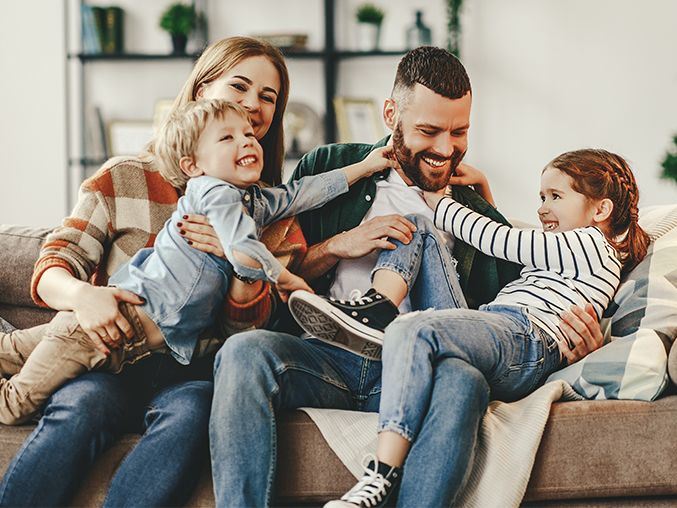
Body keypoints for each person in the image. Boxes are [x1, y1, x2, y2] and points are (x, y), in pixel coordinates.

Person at [206, 46, 609, 507]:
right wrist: (338, 246)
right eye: (429, 131)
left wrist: (575, 343)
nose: (445, 149)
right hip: (328, 358)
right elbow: (276, 274)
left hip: (421, 368)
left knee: (464, 379)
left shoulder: (470, 204)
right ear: (391, 114)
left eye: (459, 132)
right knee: (244, 352)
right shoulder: (330, 166)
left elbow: (511, 315)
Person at [0, 36, 300, 506]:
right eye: (239, 87)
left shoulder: (267, 210)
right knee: (80, 405)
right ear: (201, 90)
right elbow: (55, 262)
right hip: (108, 356)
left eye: (268, 97)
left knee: (190, 415)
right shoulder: (124, 175)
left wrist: (238, 257)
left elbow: (246, 332)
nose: (252, 105)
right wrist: (85, 297)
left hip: (189, 371)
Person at [291, 148, 649, 507]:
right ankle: (378, 308)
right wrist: (482, 190)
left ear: (601, 210)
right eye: (541, 196)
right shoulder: (568, 253)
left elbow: (503, 242)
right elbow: (512, 254)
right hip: (498, 328)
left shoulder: (590, 244)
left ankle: (381, 474)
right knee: (416, 227)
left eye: (556, 196)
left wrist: (442, 201)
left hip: (526, 336)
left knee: (412, 328)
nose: (541, 207)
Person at [0, 99, 394, 424]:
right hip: (101, 330)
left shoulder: (253, 201)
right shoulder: (213, 193)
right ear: (193, 166)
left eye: (249, 134)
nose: (248, 142)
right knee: (15, 405)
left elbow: (303, 192)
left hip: (123, 343)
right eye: (228, 137)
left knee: (12, 349)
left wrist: (366, 166)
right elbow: (241, 246)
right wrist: (285, 277)